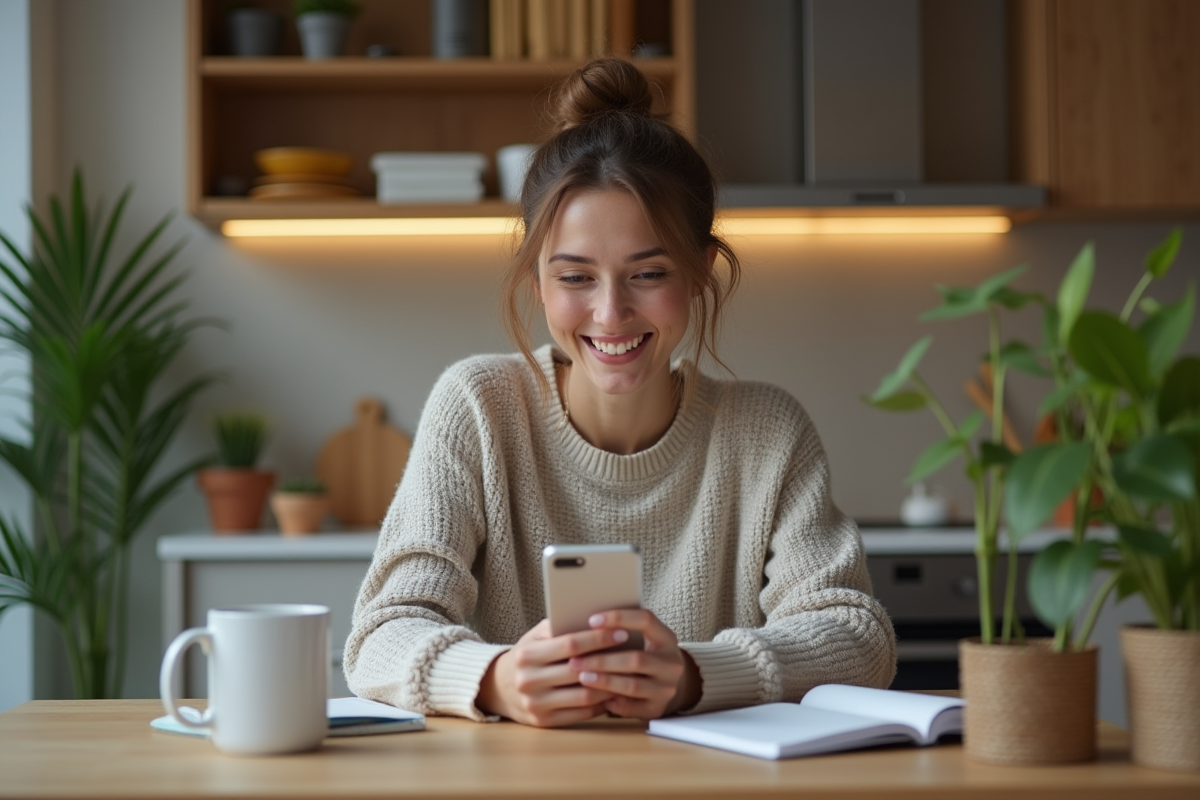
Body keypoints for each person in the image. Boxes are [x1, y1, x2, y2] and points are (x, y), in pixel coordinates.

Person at [344, 57, 896, 727]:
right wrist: (494, 679)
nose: (610, 315)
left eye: (648, 273)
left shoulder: (767, 430)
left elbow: (858, 638)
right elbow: (380, 635)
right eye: (575, 278)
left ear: (700, 272)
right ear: (536, 280)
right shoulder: (478, 407)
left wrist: (696, 675)